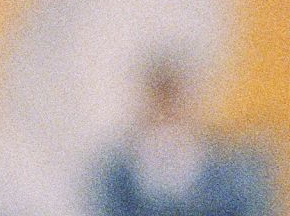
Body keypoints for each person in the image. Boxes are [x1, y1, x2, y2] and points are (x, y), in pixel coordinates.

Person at [92, 56, 275, 216]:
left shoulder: (231, 175)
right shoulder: (118, 176)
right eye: (158, 100)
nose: (166, 111)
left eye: (174, 100)